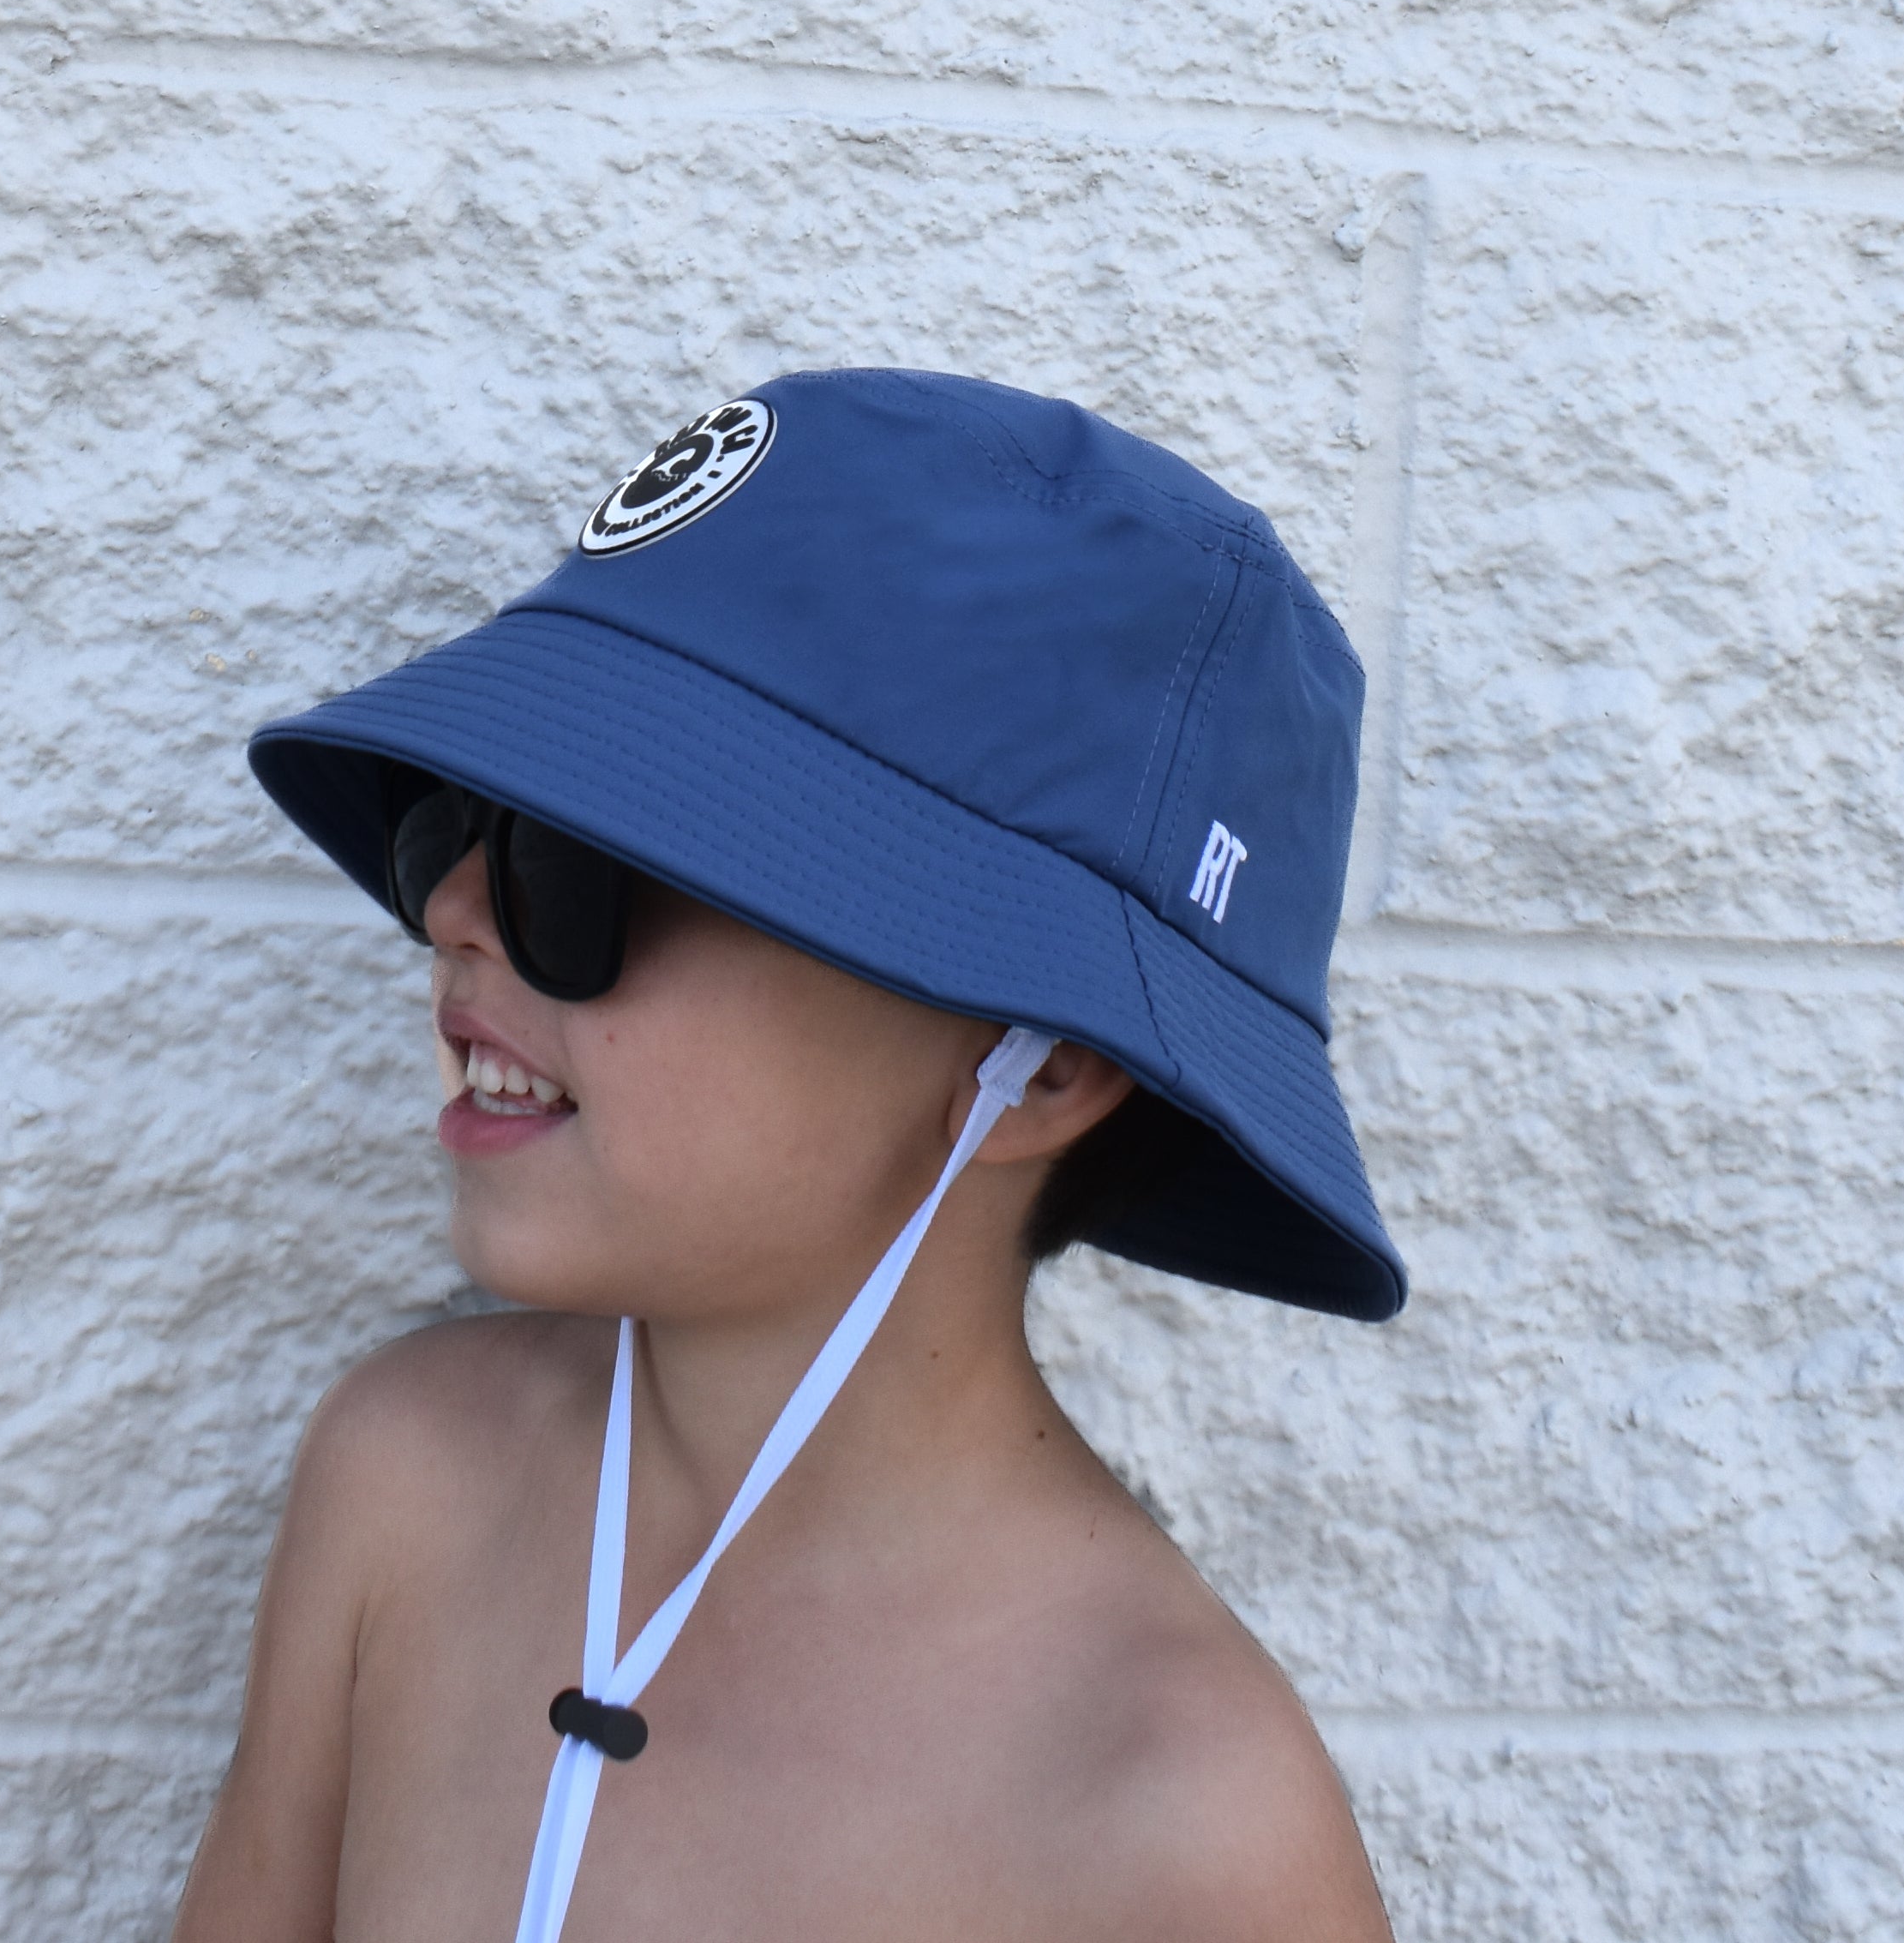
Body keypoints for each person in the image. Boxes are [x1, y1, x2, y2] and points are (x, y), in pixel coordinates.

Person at [171, 369, 1405, 1943]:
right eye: (460, 820)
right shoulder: (410, 1484)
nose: (455, 913)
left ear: (1045, 1068)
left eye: (595, 863)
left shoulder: (1178, 1820)